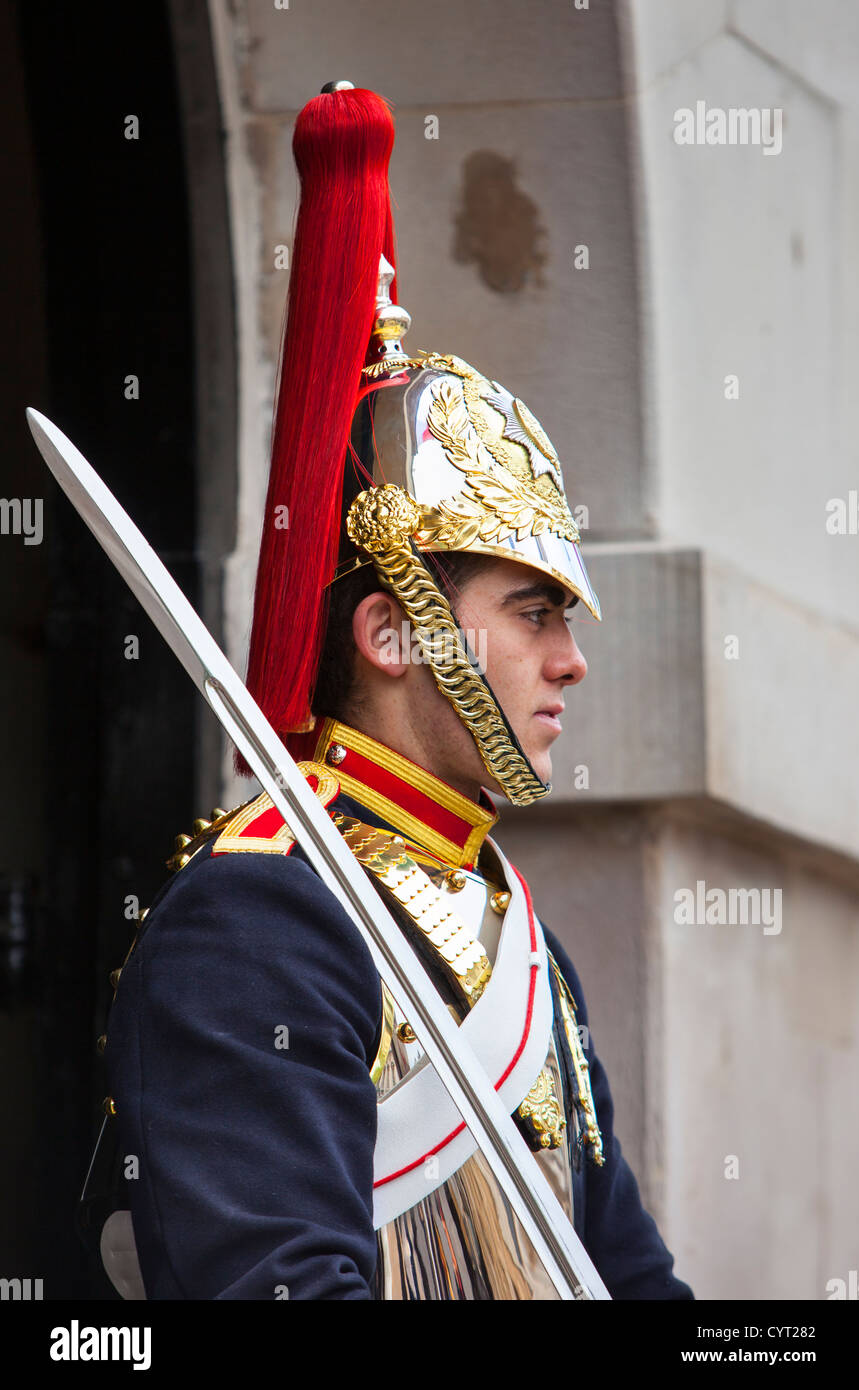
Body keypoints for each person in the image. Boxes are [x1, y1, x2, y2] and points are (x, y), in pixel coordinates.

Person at [89, 83, 694, 1301]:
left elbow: (629, 1278)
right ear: (391, 631)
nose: (567, 659)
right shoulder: (258, 916)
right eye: (530, 614)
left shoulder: (515, 935)